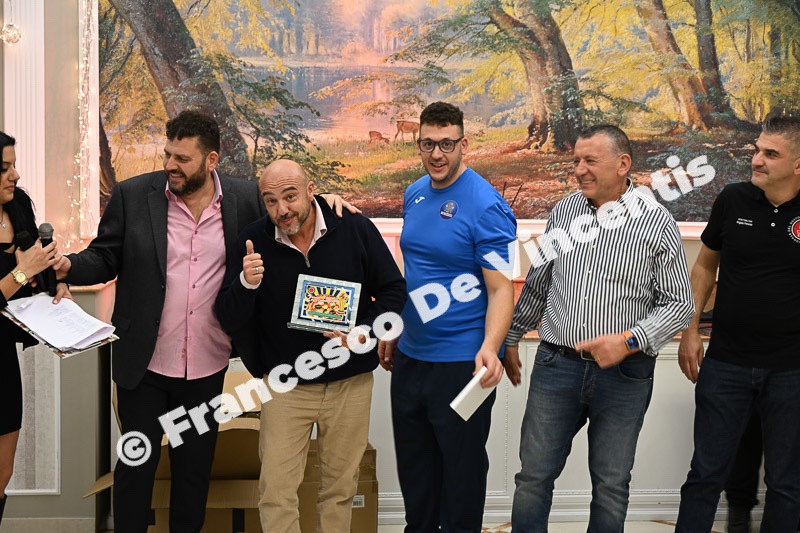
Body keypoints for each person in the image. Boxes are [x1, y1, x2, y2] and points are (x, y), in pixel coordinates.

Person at [52, 112, 352, 532]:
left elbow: (289, 211)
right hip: (144, 364)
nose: (170, 165)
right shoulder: (133, 195)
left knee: (193, 477)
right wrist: (67, 266)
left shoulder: (245, 199)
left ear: (211, 160)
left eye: (183, 158)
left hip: (208, 367)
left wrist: (327, 204)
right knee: (135, 471)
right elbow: (104, 257)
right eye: (167, 155)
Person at [504, 124, 694, 531]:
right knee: (533, 478)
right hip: (557, 366)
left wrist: (629, 340)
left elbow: (680, 304)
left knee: (611, 485)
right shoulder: (564, 212)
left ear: (623, 164)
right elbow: (539, 283)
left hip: (625, 374)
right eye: (576, 160)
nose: (579, 169)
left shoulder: (656, 221)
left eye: (590, 160)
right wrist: (513, 335)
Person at [214, 158, 407, 532]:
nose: (282, 210)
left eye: (290, 196)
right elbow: (228, 316)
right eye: (271, 201)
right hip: (285, 386)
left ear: (310, 190)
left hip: (350, 385)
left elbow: (394, 292)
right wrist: (246, 283)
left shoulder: (354, 228)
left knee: (340, 490)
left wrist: (364, 333)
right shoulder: (253, 241)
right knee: (276, 492)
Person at [378, 101, 517, 532]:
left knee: (460, 481)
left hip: (461, 365)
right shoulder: (415, 193)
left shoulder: (487, 205)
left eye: (446, 144)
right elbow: (417, 271)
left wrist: (491, 348)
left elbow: (501, 288)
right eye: (428, 144)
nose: (436, 154)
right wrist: (397, 324)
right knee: (416, 480)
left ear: (464, 144)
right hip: (411, 360)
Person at [676, 111, 800, 531]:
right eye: (757, 150)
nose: (756, 160)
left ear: (798, 164)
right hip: (726, 363)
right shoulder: (732, 199)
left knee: (787, 483)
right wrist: (690, 330)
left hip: (792, 370)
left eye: (771, 154)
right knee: (704, 476)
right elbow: (704, 267)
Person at [0, 131, 70, 523]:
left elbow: (37, 270)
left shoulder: (19, 206)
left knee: (2, 472)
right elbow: (23, 271)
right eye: (4, 168)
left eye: (14, 166)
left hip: (3, 360)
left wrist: (56, 283)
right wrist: (21, 272)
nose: (15, 175)